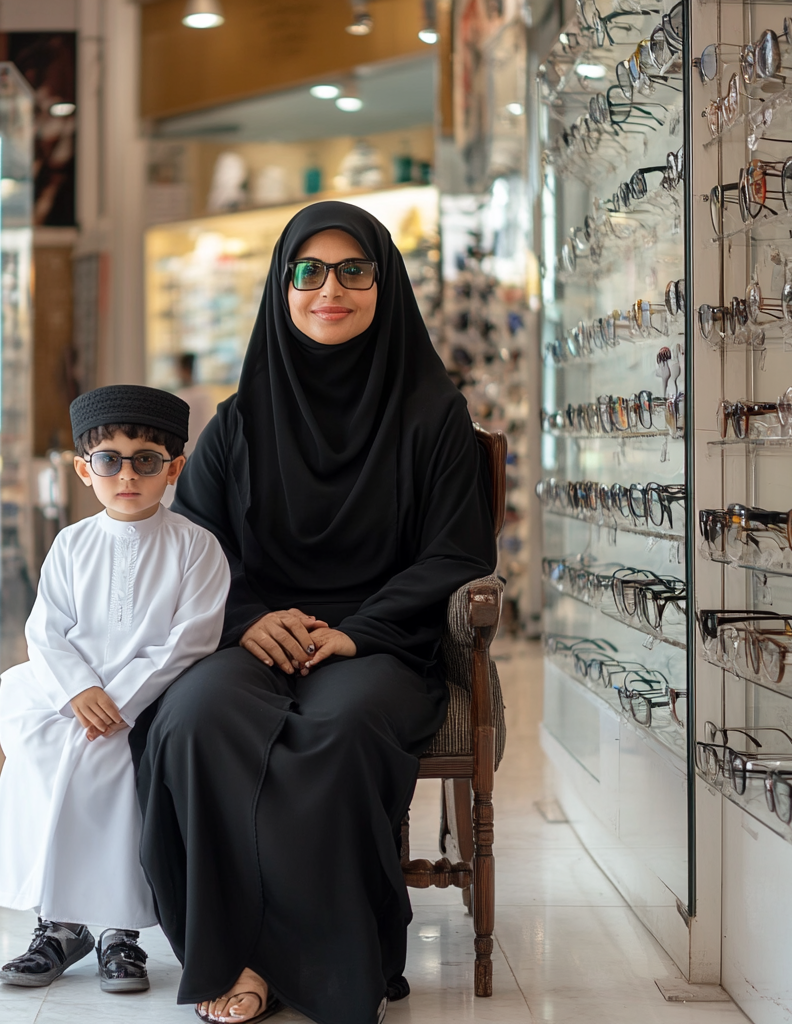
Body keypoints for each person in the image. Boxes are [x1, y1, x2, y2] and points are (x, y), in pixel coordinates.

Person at [134, 202, 497, 1024]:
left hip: (383, 641)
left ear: (384, 282)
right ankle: (235, 958)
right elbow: (194, 546)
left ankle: (328, 969)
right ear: (283, 286)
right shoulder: (238, 422)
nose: (330, 289)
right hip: (254, 631)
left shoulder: (432, 415)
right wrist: (249, 619)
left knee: (337, 731)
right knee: (193, 718)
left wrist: (355, 630)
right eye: (309, 271)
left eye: (353, 270)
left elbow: (458, 555)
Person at [0, 384, 230, 995]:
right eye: (109, 460)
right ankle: (58, 925)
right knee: (38, 756)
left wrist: (115, 702)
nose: (127, 475)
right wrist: (76, 692)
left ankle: (120, 930)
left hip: (141, 702)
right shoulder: (71, 544)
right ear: (82, 469)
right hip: (66, 696)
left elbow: (190, 639)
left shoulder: (196, 548)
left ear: (173, 467)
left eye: (146, 460)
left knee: (112, 767)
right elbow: (45, 629)